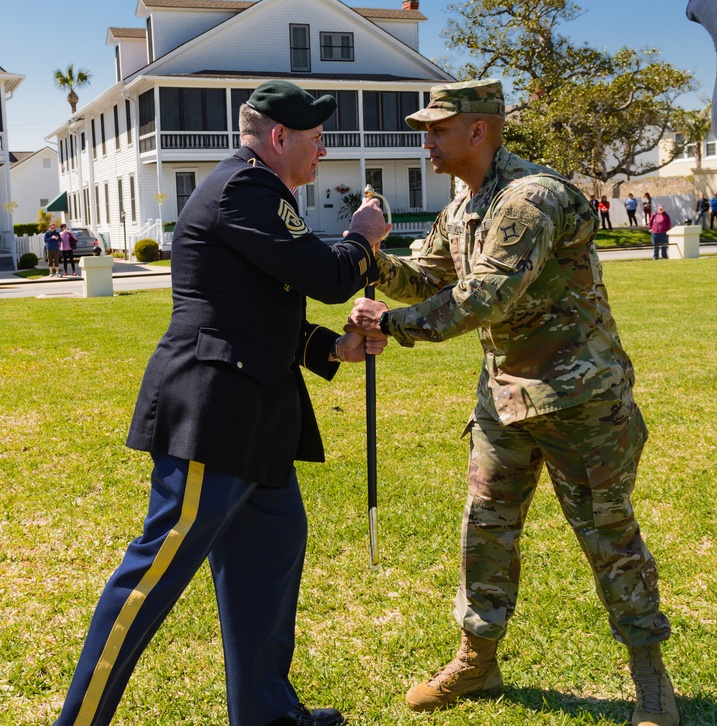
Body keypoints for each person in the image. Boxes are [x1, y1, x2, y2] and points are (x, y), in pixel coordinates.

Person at [53, 81, 388, 726]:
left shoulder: (262, 192)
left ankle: (266, 714)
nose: (324, 148)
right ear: (279, 138)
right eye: (315, 137)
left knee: (272, 552)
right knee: (150, 580)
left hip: (257, 420)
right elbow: (326, 275)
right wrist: (362, 235)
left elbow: (254, 309)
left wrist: (332, 350)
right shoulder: (245, 188)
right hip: (215, 415)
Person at [346, 79, 678, 726]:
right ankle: (478, 661)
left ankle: (651, 679)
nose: (425, 141)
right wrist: (375, 256)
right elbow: (432, 274)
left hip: (578, 397)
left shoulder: (530, 200)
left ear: (479, 130)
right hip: (505, 399)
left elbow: (483, 298)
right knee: (486, 530)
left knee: (609, 534)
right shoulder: (465, 204)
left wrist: (392, 325)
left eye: (437, 129)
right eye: (425, 129)